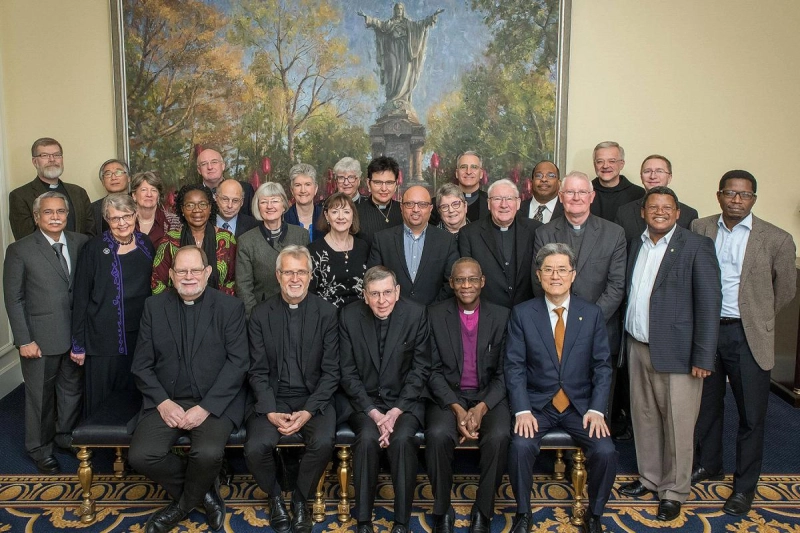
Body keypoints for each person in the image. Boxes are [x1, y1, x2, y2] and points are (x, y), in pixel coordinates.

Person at [691, 170, 796, 516]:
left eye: (744, 195)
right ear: (719, 195)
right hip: (707, 331)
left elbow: (786, 290)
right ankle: (709, 464)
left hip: (748, 335)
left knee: (752, 415)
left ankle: (744, 486)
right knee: (707, 405)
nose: (737, 200)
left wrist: (757, 317)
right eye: (730, 193)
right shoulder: (700, 228)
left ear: (754, 199)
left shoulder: (777, 238)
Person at [618, 186, 721, 522]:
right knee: (644, 417)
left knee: (677, 424)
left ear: (678, 213)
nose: (659, 212)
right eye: (653, 206)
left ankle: (674, 491)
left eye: (667, 207)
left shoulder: (697, 246)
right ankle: (649, 478)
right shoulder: (638, 244)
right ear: (643, 212)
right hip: (637, 346)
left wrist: (704, 357)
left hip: (679, 353)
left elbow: (708, 306)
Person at [129, 246, 248, 533]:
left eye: (195, 270)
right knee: (141, 455)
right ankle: (206, 493)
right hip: (167, 398)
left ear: (208, 273)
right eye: (181, 271)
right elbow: (141, 366)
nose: (189, 276)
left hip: (214, 401)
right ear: (171, 275)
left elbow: (238, 363)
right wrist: (163, 402)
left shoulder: (230, 308)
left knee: (207, 454)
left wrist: (206, 407)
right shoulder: (154, 307)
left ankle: (181, 507)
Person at [505, 243, 617, 533]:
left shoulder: (590, 314)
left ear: (573, 274)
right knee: (520, 445)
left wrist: (596, 408)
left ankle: (594, 513)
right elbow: (514, 366)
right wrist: (521, 410)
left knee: (605, 451)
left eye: (562, 270)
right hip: (537, 405)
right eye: (549, 270)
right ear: (539, 275)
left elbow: (602, 366)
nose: (556, 276)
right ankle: (523, 512)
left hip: (579, 406)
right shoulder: (522, 313)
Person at [245, 246, 339, 533]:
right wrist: (270, 409)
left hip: (313, 398)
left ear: (310, 276)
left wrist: (309, 411)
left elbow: (332, 372)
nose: (294, 278)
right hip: (273, 397)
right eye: (288, 272)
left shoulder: (327, 313)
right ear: (278, 275)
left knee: (323, 442)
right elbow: (257, 370)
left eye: (300, 272)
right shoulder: (260, 314)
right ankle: (275, 497)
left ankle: (300, 499)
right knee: (255, 447)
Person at [533, 171, 627, 436]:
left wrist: (587, 323)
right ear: (561, 197)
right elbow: (539, 279)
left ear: (592, 196)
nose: (576, 198)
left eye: (582, 192)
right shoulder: (544, 232)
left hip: (599, 332)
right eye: (570, 192)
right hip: (553, 334)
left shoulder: (614, 233)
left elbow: (616, 285)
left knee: (596, 413)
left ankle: (596, 458)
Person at [339, 266, 431, 533]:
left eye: (388, 292)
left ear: (397, 292)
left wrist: (396, 410)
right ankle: (364, 521)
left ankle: (401, 522)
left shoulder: (416, 314)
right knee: (367, 440)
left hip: (405, 402)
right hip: (363, 403)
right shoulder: (348, 316)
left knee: (402, 441)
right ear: (364, 295)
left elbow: (421, 368)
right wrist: (374, 412)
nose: (382, 301)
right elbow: (347, 372)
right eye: (375, 294)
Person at [3, 192, 89, 473]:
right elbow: (13, 298)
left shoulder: (80, 242)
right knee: (40, 396)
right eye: (48, 212)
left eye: (60, 212)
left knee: (71, 391)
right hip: (39, 339)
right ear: (37, 216)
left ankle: (65, 436)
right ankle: (39, 448)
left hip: (74, 337)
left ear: (67, 215)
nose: (55, 217)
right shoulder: (20, 250)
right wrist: (24, 339)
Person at [425, 258, 511, 533]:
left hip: (489, 395)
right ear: (451, 283)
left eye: (472, 279)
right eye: (460, 280)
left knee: (498, 436)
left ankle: (482, 511)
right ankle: (442, 510)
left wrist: (481, 408)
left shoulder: (501, 316)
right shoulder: (435, 314)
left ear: (482, 281)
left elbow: (506, 372)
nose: (466, 285)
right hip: (449, 395)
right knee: (438, 435)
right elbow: (431, 370)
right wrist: (458, 409)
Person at [70, 193, 155, 417]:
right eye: (115, 218)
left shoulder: (146, 243)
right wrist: (78, 343)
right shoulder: (93, 249)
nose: (122, 223)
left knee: (136, 390)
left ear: (136, 215)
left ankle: (132, 445)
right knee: (103, 395)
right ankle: (100, 444)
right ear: (107, 219)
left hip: (141, 333)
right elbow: (80, 297)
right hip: (105, 336)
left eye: (127, 216)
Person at [368, 185, 458, 306]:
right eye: (409, 204)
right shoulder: (382, 239)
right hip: (393, 315)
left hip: (433, 315)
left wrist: (431, 310)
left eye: (422, 204)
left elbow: (451, 282)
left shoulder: (446, 241)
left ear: (430, 208)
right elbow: (373, 280)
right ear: (401, 207)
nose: (416, 209)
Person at [458, 179, 541, 308]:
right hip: (488, 313)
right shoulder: (469, 234)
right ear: (489, 204)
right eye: (497, 199)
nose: (504, 205)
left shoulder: (535, 230)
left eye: (509, 199)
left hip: (527, 311)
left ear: (518, 203)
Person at [236, 182, 310, 316]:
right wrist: (255, 317)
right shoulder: (246, 241)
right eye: (264, 202)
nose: (269, 206)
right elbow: (244, 287)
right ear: (258, 206)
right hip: (262, 313)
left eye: (275, 201)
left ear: (284, 205)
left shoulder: (301, 235)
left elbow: (309, 276)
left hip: (299, 311)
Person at [151, 184, 236, 296]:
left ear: (210, 207)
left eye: (202, 204)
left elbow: (233, 281)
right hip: (177, 308)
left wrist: (217, 305)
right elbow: (157, 283)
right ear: (182, 209)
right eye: (190, 205)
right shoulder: (169, 240)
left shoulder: (227, 239)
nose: (197, 210)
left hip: (218, 308)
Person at [357, 3, 443, 114]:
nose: (399, 11)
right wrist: (367, 18)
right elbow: (379, 24)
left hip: (406, 51)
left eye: (401, 9)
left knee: (405, 72)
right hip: (393, 49)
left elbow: (420, 25)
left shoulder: (408, 23)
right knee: (393, 70)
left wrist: (432, 17)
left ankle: (403, 99)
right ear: (394, 10)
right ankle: (392, 98)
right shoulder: (389, 23)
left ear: (403, 11)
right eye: (397, 9)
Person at [9, 137, 94, 240]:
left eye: (57, 155)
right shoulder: (20, 196)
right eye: (45, 155)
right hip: (41, 255)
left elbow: (91, 233)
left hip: (81, 254)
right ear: (35, 162)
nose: (52, 160)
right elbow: (25, 239)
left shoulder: (79, 192)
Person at [614, 155, 699, 243]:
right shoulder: (624, 212)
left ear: (669, 177)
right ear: (641, 177)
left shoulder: (689, 214)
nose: (653, 176)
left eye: (659, 171)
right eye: (647, 171)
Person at [309, 192, 370, 308]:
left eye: (346, 212)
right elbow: (311, 294)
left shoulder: (363, 246)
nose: (341, 217)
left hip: (361, 317)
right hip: (327, 319)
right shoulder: (313, 250)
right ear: (327, 216)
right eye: (335, 212)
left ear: (353, 216)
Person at [589, 141, 645, 222]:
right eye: (600, 161)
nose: (605, 166)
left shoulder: (637, 194)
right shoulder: (584, 192)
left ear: (621, 164)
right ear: (594, 165)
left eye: (612, 161)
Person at [356, 156, 404, 245]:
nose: (384, 189)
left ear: (396, 184)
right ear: (368, 183)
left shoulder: (404, 210)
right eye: (378, 182)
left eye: (389, 182)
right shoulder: (356, 212)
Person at [196, 146, 255, 216]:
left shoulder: (245, 189)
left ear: (223, 166)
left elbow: (253, 221)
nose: (210, 167)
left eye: (214, 162)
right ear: (199, 170)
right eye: (204, 164)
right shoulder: (191, 194)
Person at [433, 151, 488, 224]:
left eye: (474, 167)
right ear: (456, 173)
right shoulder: (436, 204)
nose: (468, 172)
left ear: (481, 174)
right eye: (463, 167)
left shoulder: (491, 202)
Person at [130, 171, 182, 246]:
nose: (149, 194)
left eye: (153, 190)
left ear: (158, 196)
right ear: (134, 195)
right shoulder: (124, 221)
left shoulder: (174, 222)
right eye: (144, 190)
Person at [90, 159, 131, 236]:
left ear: (129, 178)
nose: (113, 177)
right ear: (102, 182)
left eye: (118, 172)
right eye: (108, 174)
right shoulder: (93, 209)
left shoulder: (138, 203)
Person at [284, 163, 324, 242]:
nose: (303, 190)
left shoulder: (325, 217)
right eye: (298, 185)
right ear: (292, 190)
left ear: (315, 189)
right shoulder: (284, 219)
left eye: (307, 184)